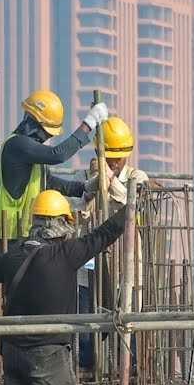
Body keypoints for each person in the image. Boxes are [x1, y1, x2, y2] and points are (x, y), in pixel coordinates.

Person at [0, 189, 127, 385]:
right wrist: (132, 207)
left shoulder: (14, 255)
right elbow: (105, 233)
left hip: (11, 352)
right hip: (46, 354)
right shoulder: (64, 254)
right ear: (60, 223)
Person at [0, 90, 109, 240]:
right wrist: (89, 123)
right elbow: (58, 154)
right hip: (9, 236)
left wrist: (84, 188)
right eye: (47, 132)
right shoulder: (17, 145)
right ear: (35, 124)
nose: (48, 137)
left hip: (25, 234)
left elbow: (48, 182)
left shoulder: (31, 155)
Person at [79, 116, 148, 366]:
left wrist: (112, 183)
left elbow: (134, 206)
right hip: (90, 268)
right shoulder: (87, 176)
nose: (114, 164)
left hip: (126, 268)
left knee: (127, 330)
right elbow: (79, 216)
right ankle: (88, 379)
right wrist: (93, 187)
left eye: (118, 160)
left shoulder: (137, 177)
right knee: (87, 330)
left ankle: (129, 376)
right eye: (109, 159)